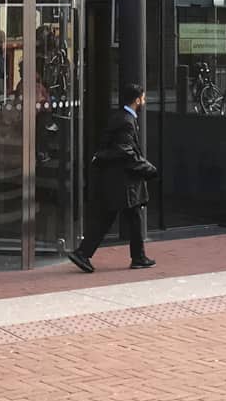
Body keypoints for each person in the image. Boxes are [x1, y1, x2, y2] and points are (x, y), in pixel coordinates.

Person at [67, 82, 158, 273]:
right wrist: (148, 168)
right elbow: (125, 152)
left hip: (118, 179)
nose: (144, 100)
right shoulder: (126, 120)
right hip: (121, 181)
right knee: (111, 218)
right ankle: (84, 253)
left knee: (126, 217)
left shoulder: (122, 117)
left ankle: (136, 257)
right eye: (142, 97)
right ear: (136, 100)